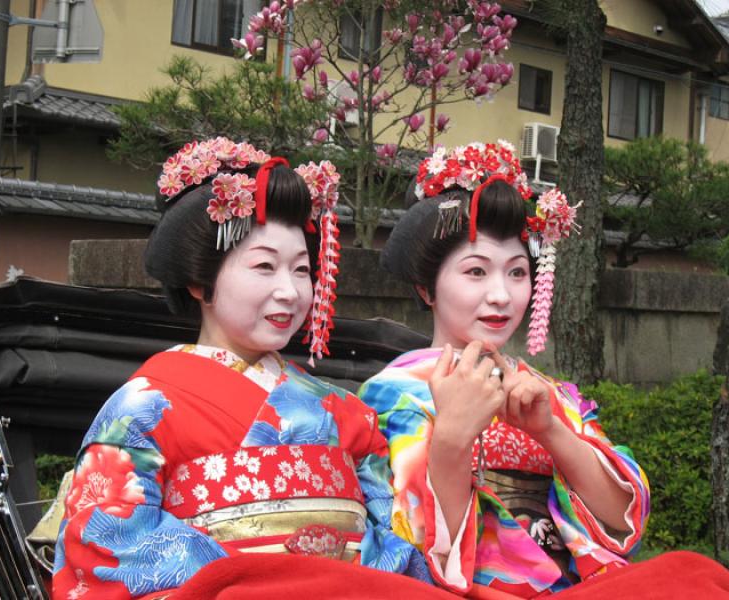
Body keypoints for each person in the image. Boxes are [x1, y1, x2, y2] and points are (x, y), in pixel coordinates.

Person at [52, 138, 447, 600]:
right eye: (264, 266)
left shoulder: (345, 413)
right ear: (200, 280)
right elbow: (103, 548)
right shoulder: (140, 410)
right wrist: (257, 583)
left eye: (301, 270)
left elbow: (394, 544)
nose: (290, 291)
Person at [359, 141, 729, 599]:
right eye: (476, 272)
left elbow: (622, 520)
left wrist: (552, 433)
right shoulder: (393, 392)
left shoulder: (551, 394)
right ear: (427, 289)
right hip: (469, 591)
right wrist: (451, 441)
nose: (501, 295)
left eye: (517, 273)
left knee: (694, 575)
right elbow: (406, 544)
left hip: (572, 588)